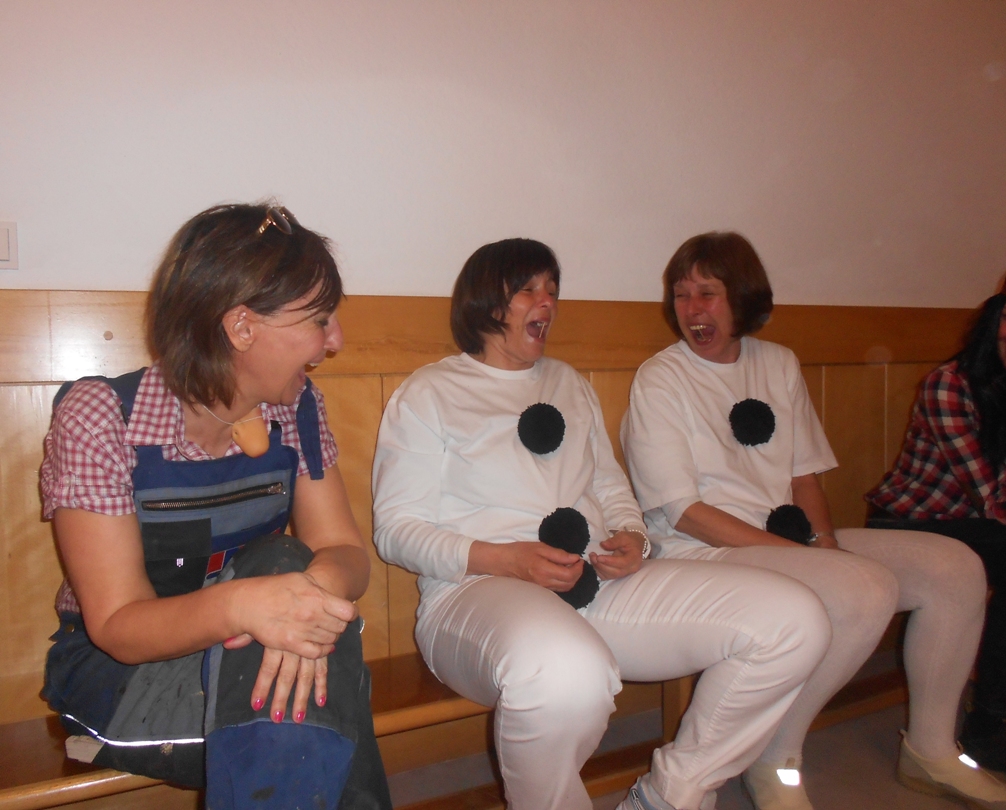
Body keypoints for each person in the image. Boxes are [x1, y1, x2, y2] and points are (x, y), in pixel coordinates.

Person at [372, 237, 834, 810]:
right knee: (567, 670)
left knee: (795, 620)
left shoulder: (569, 382)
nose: (547, 302)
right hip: (472, 592)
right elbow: (396, 530)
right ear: (486, 303)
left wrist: (634, 536)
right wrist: (505, 558)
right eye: (528, 290)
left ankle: (670, 794)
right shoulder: (428, 393)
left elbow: (611, 486)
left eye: (552, 290)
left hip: (595, 582)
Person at [620, 231, 1005, 810]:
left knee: (956, 568)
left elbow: (804, 478)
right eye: (681, 294)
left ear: (742, 298)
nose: (692, 309)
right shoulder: (661, 378)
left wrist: (824, 544)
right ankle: (777, 756)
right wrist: (810, 560)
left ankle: (931, 749)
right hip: (705, 552)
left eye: (708, 293)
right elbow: (686, 514)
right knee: (862, 588)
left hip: (788, 537)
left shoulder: (777, 362)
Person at [40, 203, 392, 810]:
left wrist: (298, 603)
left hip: (250, 656)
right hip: (124, 679)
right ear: (242, 328)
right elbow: (119, 626)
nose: (334, 340)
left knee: (290, 575)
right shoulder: (103, 418)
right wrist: (249, 607)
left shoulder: (296, 407)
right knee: (316, 699)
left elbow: (345, 552)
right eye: (319, 320)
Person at [868, 291, 1006, 773]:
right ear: (994, 323)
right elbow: (989, 495)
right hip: (912, 522)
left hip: (978, 523)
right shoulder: (948, 385)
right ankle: (989, 722)